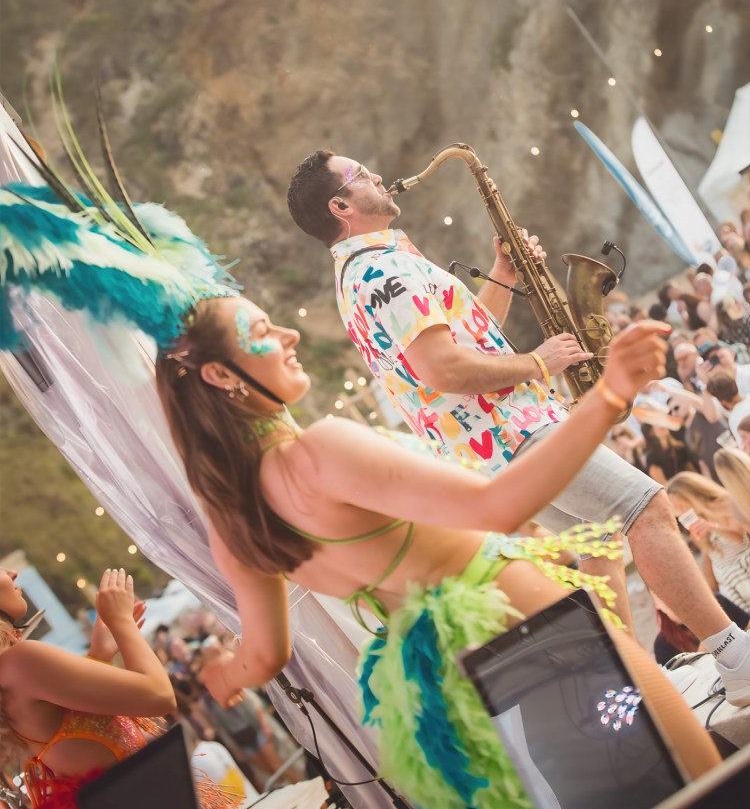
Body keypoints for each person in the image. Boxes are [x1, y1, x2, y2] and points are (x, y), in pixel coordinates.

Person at [154, 293, 720, 807]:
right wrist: (610, 394)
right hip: (538, 632)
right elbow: (499, 506)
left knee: (611, 794)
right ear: (217, 374)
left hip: (468, 687)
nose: (288, 334)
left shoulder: (236, 525)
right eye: (261, 328)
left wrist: (223, 678)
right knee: (697, 777)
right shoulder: (320, 451)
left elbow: (264, 657)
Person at [286, 149, 750, 694]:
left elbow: (464, 341)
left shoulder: (361, 274)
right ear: (341, 205)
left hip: (492, 449)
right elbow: (443, 368)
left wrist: (504, 276)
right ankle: (733, 652)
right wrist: (539, 361)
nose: (378, 176)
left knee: (598, 545)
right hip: (515, 431)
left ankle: (638, 686)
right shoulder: (382, 270)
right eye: (361, 175)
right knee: (645, 507)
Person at [0, 567, 177, 808]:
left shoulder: (10, 668)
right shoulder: (20, 660)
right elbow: (160, 695)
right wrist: (122, 621)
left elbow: (72, 730)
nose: (12, 572)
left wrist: (99, 655)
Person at [666, 473, 750, 613]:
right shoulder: (699, 519)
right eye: (677, 510)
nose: (680, 512)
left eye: (680, 506)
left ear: (691, 495)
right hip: (730, 587)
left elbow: (741, 539)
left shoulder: (724, 503)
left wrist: (712, 527)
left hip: (743, 577)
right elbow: (710, 556)